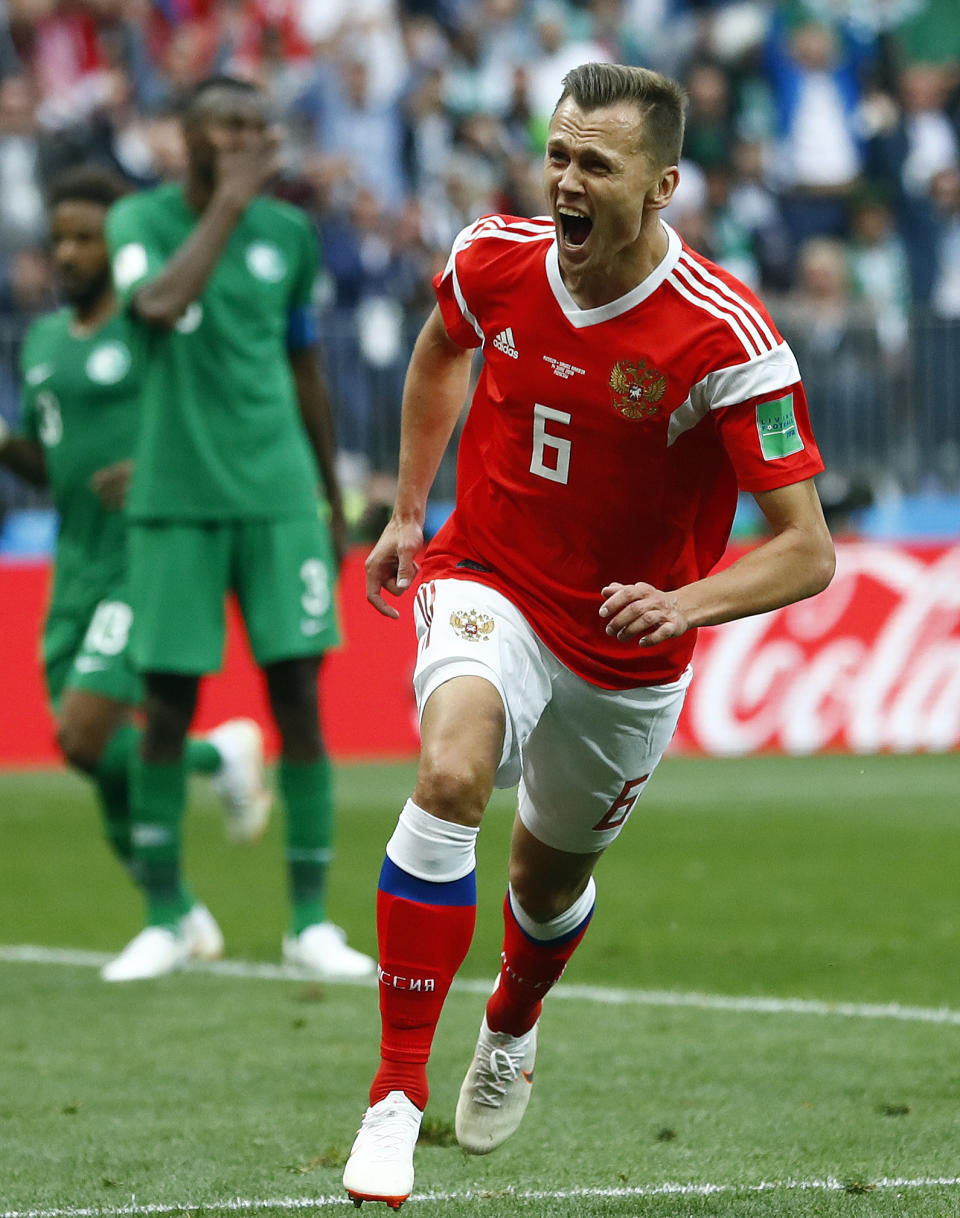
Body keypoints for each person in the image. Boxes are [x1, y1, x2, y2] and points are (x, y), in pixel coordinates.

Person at [342, 62, 835, 1209]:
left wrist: (686, 603)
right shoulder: (492, 257)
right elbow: (439, 350)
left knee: (546, 882)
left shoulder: (727, 336)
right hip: (492, 577)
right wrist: (411, 509)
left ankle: (512, 1020)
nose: (564, 181)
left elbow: (806, 549)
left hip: (627, 643)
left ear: (661, 185)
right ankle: (393, 1098)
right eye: (556, 155)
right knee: (451, 771)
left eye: (594, 165)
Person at [101, 76, 375, 983]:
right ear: (188, 136)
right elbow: (156, 308)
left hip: (279, 493)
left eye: (260, 126)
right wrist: (224, 204)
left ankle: (309, 923)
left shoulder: (290, 235)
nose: (251, 140)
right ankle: (167, 914)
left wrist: (331, 498)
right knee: (167, 708)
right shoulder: (138, 223)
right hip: (176, 493)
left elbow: (303, 363)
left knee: (298, 698)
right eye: (230, 125)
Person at [0, 165, 272, 962]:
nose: (70, 253)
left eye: (87, 236)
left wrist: (156, 471)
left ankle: (214, 773)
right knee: (91, 754)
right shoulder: (47, 343)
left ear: (120, 241)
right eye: (60, 239)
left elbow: (216, 418)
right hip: (75, 563)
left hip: (145, 554)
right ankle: (180, 906)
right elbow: (53, 466)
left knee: (86, 736)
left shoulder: (152, 329)